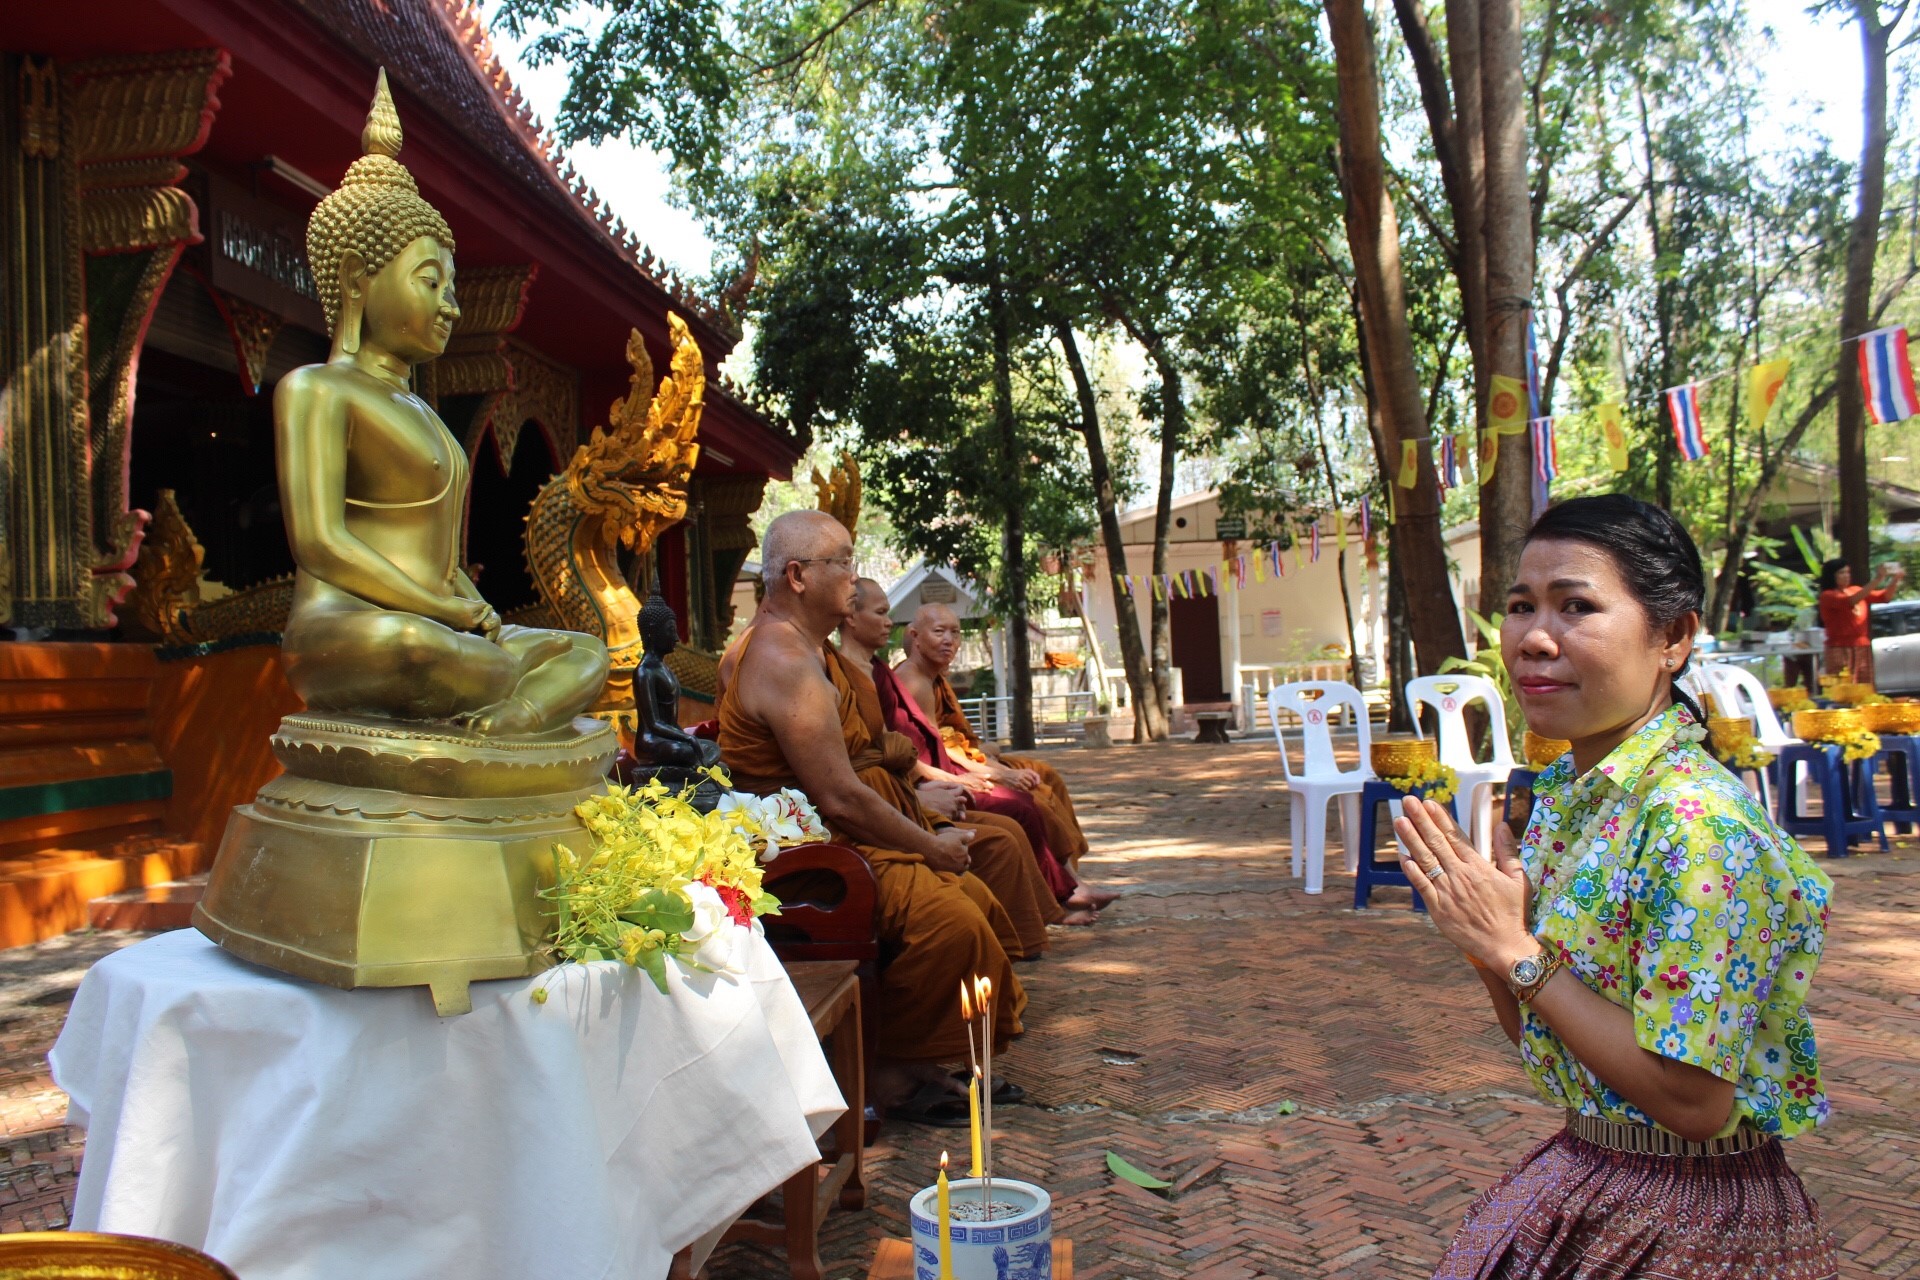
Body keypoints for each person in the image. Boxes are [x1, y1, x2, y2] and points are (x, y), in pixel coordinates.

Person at [1393, 494, 1838, 1279]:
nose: (1533, 639)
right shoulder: (1572, 794)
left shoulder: (1697, 828)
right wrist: (1484, 937)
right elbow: (1554, 1033)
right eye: (1522, 606)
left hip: (1693, 1218)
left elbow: (1693, 1104)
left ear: (1673, 637)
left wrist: (1516, 950)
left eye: (1577, 607)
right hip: (1594, 1170)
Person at [279, 71, 605, 735]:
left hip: (442, 626)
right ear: (356, 280)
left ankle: (511, 715)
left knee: (590, 653)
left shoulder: (426, 414)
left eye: (452, 286)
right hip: (352, 630)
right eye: (431, 281)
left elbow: (448, 567)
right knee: (410, 648)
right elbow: (321, 543)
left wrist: (477, 613)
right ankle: (511, 702)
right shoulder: (316, 388)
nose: (451, 304)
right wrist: (443, 611)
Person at [718, 511, 1026, 1115]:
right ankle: (888, 1072)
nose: (855, 581)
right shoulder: (783, 657)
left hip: (845, 830)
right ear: (800, 575)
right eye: (845, 563)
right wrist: (927, 843)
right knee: (952, 920)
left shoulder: (806, 646)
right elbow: (838, 796)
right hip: (815, 852)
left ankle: (916, 1061)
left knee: (973, 898)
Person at [836, 578, 1094, 937]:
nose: (949, 640)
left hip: (925, 780)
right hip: (909, 789)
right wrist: (960, 779)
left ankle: (1064, 888)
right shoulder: (871, 676)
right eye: (880, 613)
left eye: (955, 632)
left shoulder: (879, 671)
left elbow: (922, 743)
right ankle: (1052, 903)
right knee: (1018, 813)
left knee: (1040, 784)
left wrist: (980, 766)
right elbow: (893, 756)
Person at [894, 604, 1109, 898]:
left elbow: (945, 738)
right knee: (1027, 802)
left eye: (955, 633)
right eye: (939, 632)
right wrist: (991, 773)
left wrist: (988, 759)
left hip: (961, 760)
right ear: (915, 637)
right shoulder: (912, 681)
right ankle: (1062, 891)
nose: (949, 640)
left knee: (1045, 776)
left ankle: (1069, 877)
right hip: (940, 774)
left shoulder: (932, 678)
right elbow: (926, 749)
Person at [1817, 557, 1903, 686]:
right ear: (1831, 575)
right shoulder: (1827, 595)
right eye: (1841, 573)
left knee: (1864, 685)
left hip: (1862, 646)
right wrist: (1878, 579)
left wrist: (1895, 580)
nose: (1846, 576)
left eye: (1848, 572)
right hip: (1839, 648)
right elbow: (1851, 601)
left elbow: (1885, 597)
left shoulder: (1856, 590)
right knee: (1842, 687)